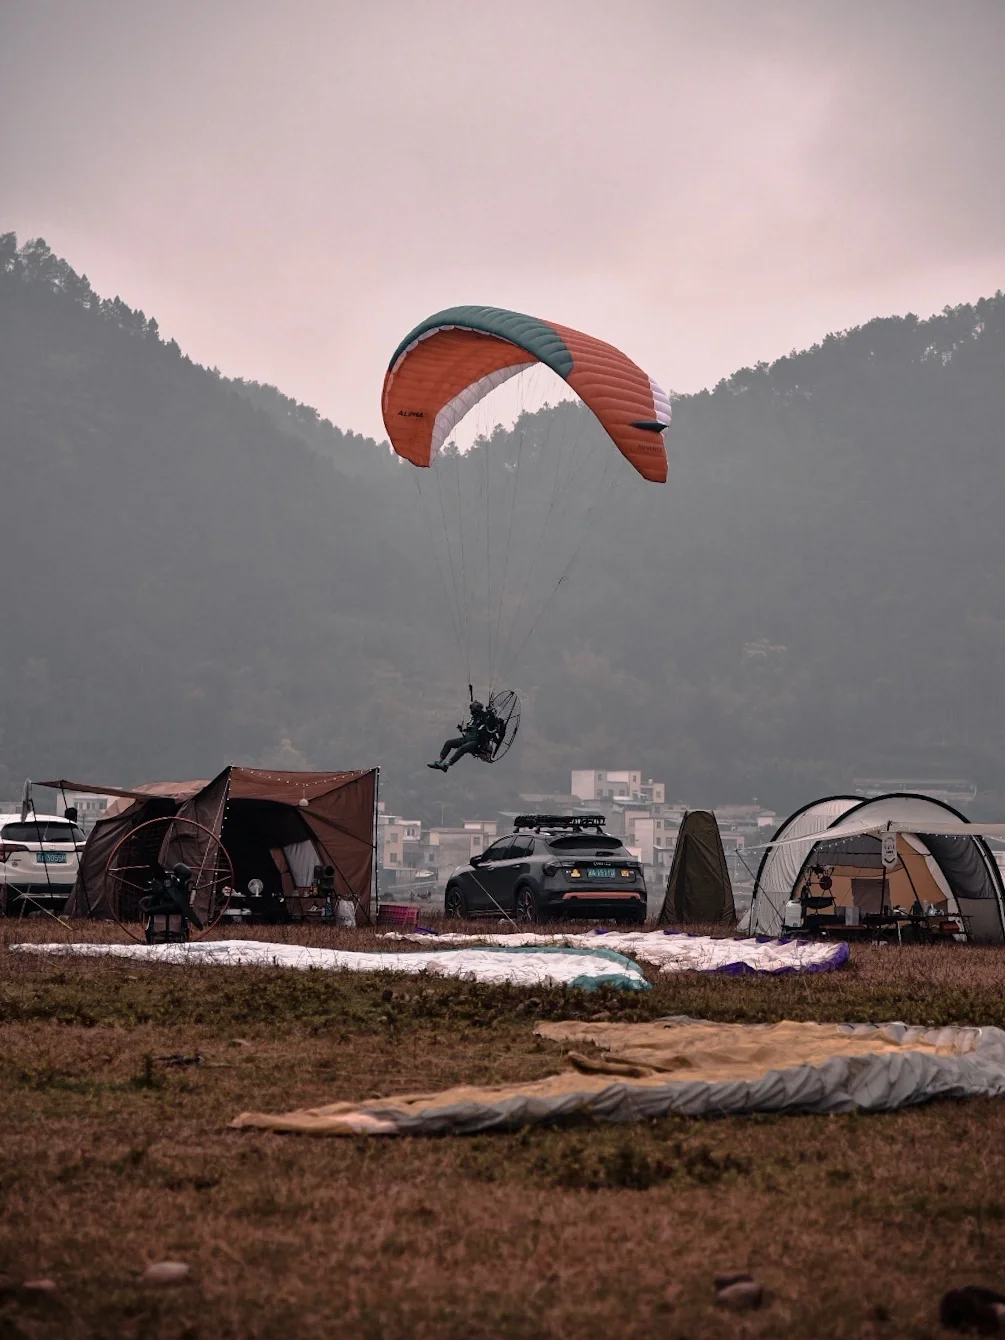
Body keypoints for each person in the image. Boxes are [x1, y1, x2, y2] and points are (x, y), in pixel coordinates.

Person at [427, 699, 504, 771]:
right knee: (448, 743)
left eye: (472, 709)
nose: (471, 711)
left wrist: (490, 713)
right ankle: (439, 761)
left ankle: (446, 765)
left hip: (476, 743)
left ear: (476, 709)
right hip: (466, 739)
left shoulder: (485, 717)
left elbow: (491, 723)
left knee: (462, 748)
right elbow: (471, 728)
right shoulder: (473, 719)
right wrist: (463, 729)